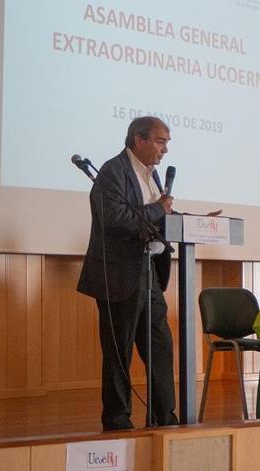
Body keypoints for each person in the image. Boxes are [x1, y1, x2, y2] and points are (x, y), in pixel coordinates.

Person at [77, 116, 178, 431]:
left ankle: (164, 416)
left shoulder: (152, 175)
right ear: (139, 140)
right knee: (119, 352)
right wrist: (160, 209)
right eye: (161, 141)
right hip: (118, 274)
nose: (165, 150)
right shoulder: (113, 172)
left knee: (160, 346)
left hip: (149, 271)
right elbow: (115, 218)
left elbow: (151, 218)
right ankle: (118, 418)